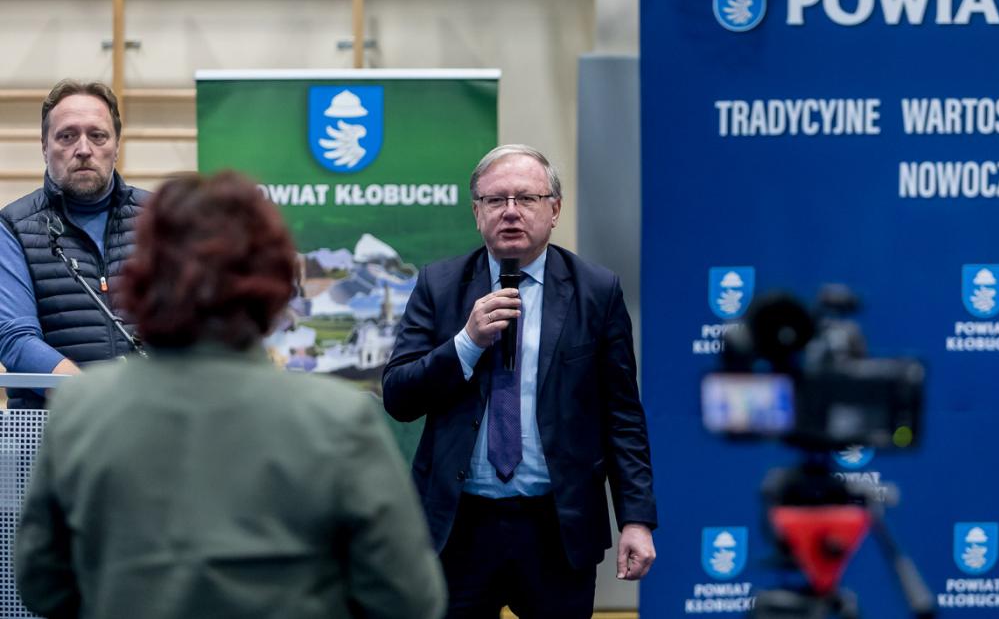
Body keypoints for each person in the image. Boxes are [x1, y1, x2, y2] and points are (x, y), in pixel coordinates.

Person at [15, 171, 447, 619]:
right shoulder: (337, 418)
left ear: (143, 279)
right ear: (274, 285)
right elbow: (409, 598)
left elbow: (43, 585)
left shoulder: (81, 410)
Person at [383, 144, 657, 618]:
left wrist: (636, 519)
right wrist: (466, 342)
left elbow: (623, 417)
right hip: (459, 526)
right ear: (477, 213)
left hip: (557, 524)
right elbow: (399, 397)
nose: (510, 211)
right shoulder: (438, 285)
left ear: (555, 209)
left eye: (527, 198)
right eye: (495, 200)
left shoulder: (597, 291)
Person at [0, 79, 149, 408]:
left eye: (97, 136)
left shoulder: (159, 218)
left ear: (117, 145)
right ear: (44, 146)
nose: (83, 149)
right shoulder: (11, 227)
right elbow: (15, 339)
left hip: (150, 421)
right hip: (55, 426)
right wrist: (92, 402)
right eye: (67, 136)